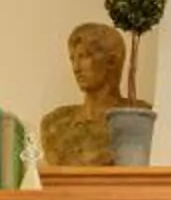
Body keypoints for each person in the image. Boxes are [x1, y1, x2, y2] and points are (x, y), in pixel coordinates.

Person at [39, 20, 134, 167]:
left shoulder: (137, 119)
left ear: (111, 61)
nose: (76, 68)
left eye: (84, 56)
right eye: (73, 58)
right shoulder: (55, 124)